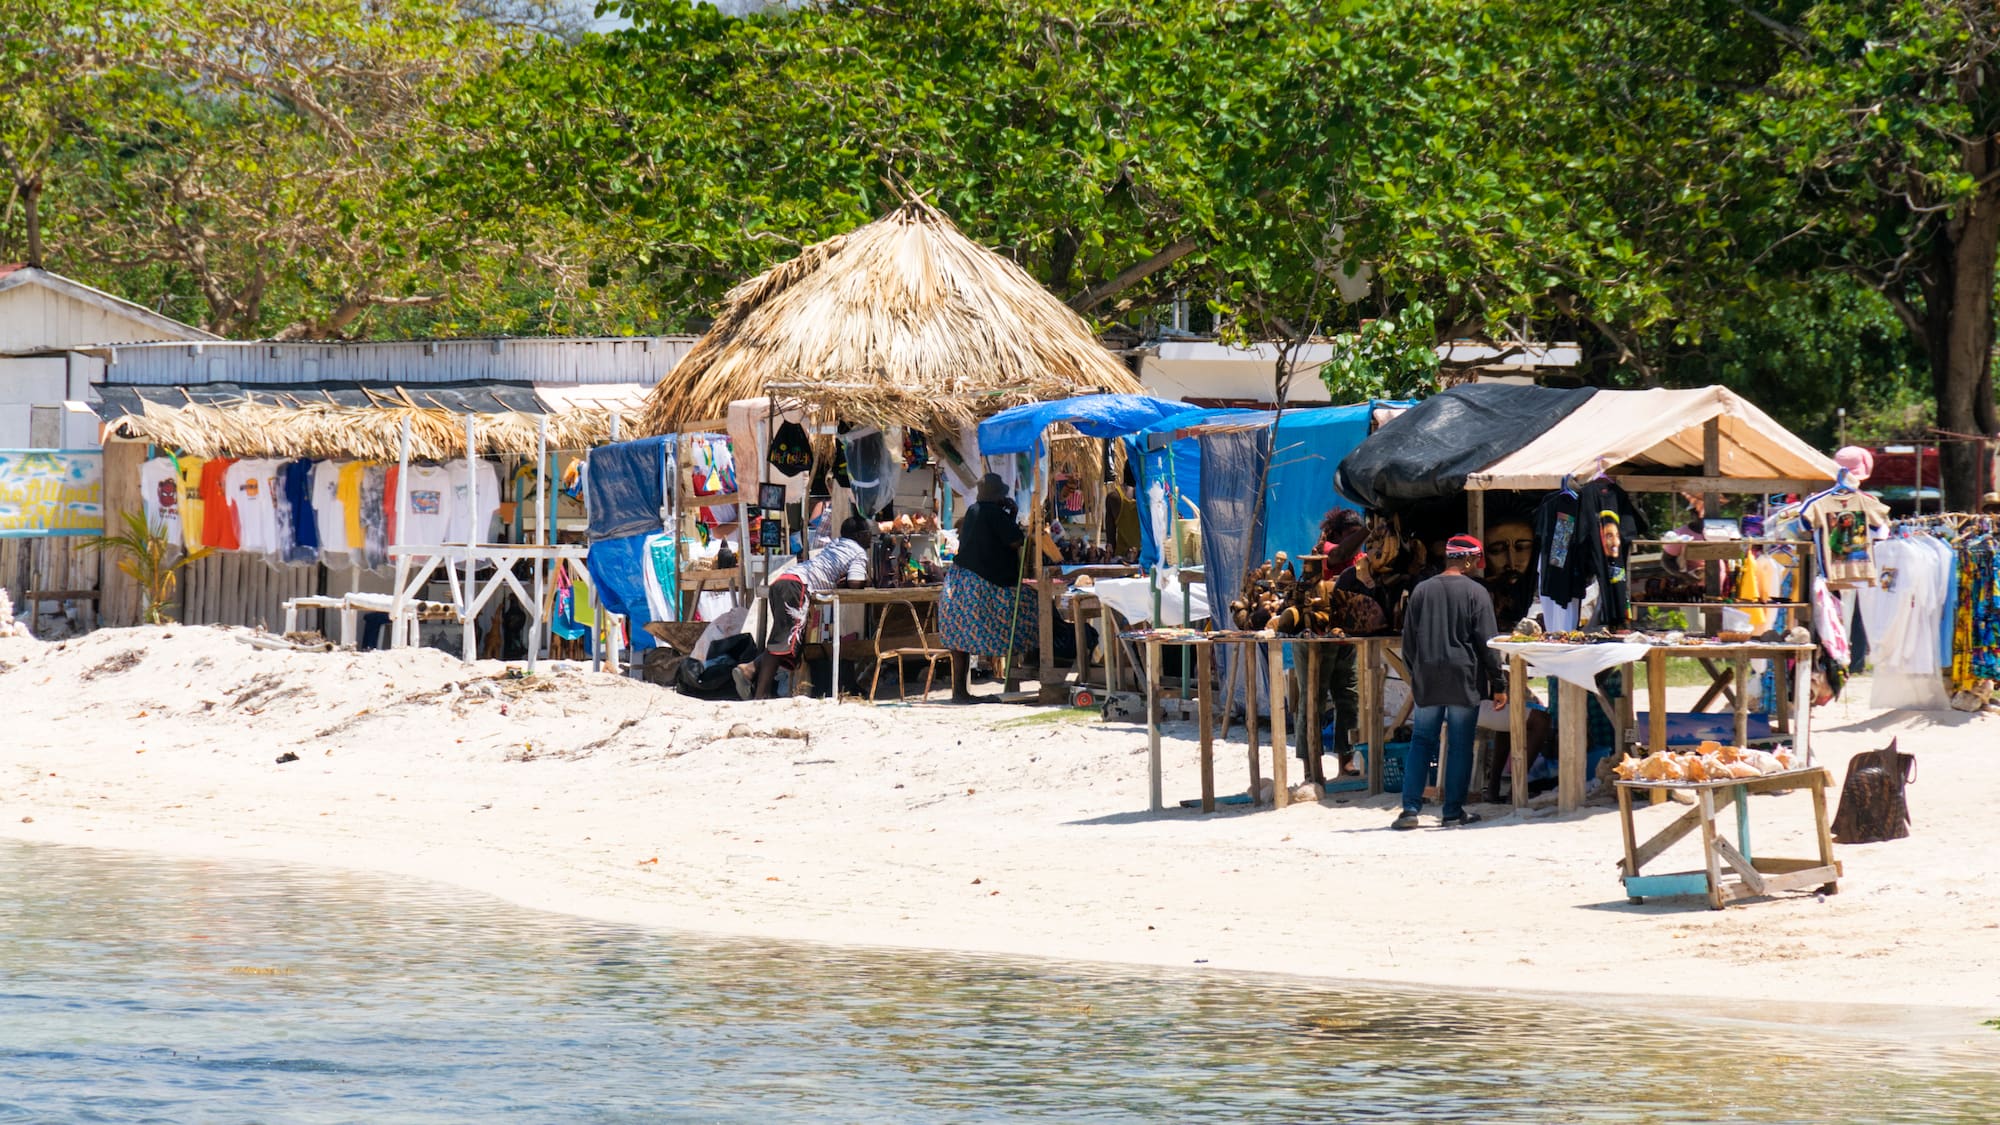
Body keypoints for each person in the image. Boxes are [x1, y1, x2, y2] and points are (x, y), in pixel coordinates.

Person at [1393, 534, 1505, 830]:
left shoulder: (1420, 590)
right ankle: (1452, 812)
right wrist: (1499, 683)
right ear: (1467, 559)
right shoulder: (1477, 593)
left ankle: (1410, 810)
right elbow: (1488, 643)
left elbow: (1408, 643)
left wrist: (1415, 673)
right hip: (1463, 676)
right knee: (1459, 744)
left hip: (1427, 676)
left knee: (1422, 740)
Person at [752, 514, 874, 699]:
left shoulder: (836, 544)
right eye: (867, 534)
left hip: (785, 580)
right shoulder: (858, 552)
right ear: (858, 536)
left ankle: (752, 674)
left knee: (785, 639)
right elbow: (856, 583)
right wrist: (866, 580)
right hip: (797, 585)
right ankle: (760, 694)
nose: (870, 538)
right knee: (781, 643)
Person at [941, 473, 1036, 703]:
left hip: (959, 581)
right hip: (981, 584)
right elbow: (1015, 541)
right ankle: (1035, 661)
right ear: (999, 495)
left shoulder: (974, 510)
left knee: (958, 637)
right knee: (1031, 607)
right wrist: (1012, 514)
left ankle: (959, 692)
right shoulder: (993, 513)